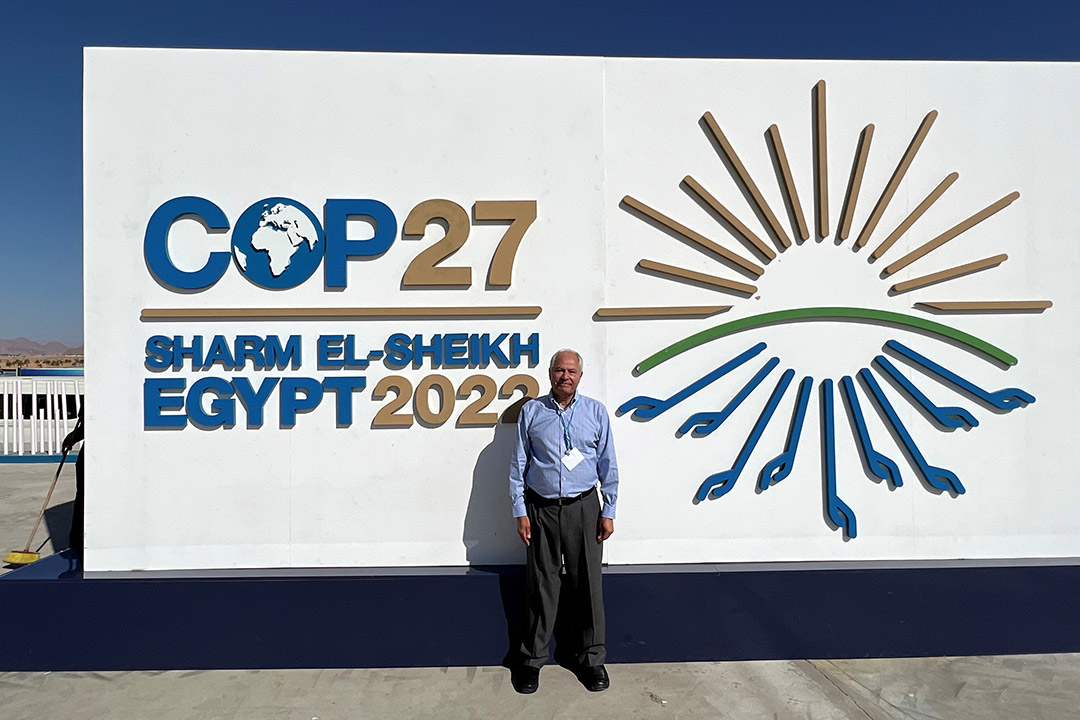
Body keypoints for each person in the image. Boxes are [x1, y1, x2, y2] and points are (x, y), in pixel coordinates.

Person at [508, 349, 619, 693]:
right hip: (540, 508)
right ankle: (531, 660)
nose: (565, 376)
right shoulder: (532, 412)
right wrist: (520, 510)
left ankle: (590, 658)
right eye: (559, 370)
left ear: (580, 376)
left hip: (584, 507)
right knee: (542, 585)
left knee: (587, 584)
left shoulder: (595, 412)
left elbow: (608, 464)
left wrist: (609, 510)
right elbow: (518, 465)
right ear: (550, 374)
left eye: (571, 371)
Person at [61, 404, 84, 560]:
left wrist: (75, 436)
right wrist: (74, 436)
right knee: (82, 497)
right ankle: (76, 544)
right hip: (90, 456)